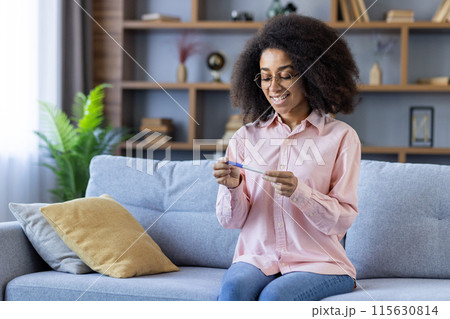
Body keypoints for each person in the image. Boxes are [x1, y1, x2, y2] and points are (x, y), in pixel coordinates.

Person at [212, 14, 361, 301]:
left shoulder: (341, 137)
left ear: (312, 74)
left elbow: (341, 221)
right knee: (233, 290)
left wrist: (300, 192)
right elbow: (231, 221)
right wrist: (232, 187)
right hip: (258, 259)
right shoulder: (245, 137)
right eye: (266, 76)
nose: (274, 87)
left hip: (319, 263)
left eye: (286, 75)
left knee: (274, 299)